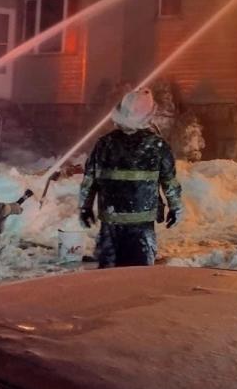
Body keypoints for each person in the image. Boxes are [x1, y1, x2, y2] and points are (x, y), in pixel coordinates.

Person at [78, 88, 182, 268]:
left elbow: (89, 179)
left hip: (110, 225)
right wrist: (175, 208)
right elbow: (169, 182)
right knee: (137, 279)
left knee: (106, 277)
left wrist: (85, 206)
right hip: (142, 226)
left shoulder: (104, 143)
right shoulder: (157, 146)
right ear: (149, 117)